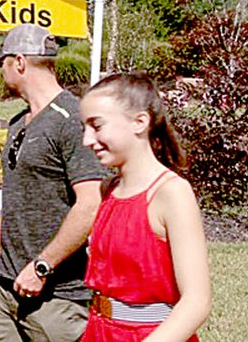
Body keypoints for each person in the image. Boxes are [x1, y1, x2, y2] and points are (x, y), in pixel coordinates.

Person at [0, 24, 106, 342]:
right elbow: (18, 190)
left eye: (1, 63)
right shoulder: (19, 122)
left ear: (19, 63)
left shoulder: (72, 120)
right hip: (2, 286)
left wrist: (42, 266)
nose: (0, 72)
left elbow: (90, 204)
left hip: (57, 296)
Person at [79, 72, 211, 341]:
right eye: (84, 128)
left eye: (97, 126)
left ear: (139, 122)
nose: (87, 140)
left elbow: (196, 302)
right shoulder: (109, 191)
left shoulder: (171, 193)